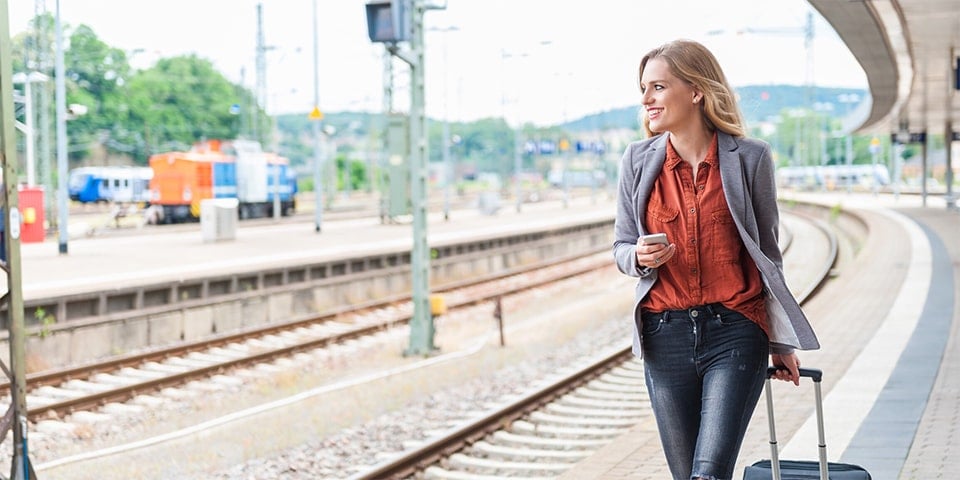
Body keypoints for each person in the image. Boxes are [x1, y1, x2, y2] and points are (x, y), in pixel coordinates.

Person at [612, 39, 821, 480]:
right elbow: (621, 248)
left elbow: (767, 254)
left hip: (735, 330)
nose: (646, 99)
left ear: (696, 90)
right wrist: (639, 256)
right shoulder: (636, 160)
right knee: (686, 474)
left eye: (658, 87)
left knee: (708, 473)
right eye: (643, 89)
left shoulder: (750, 158)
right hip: (663, 335)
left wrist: (780, 342)